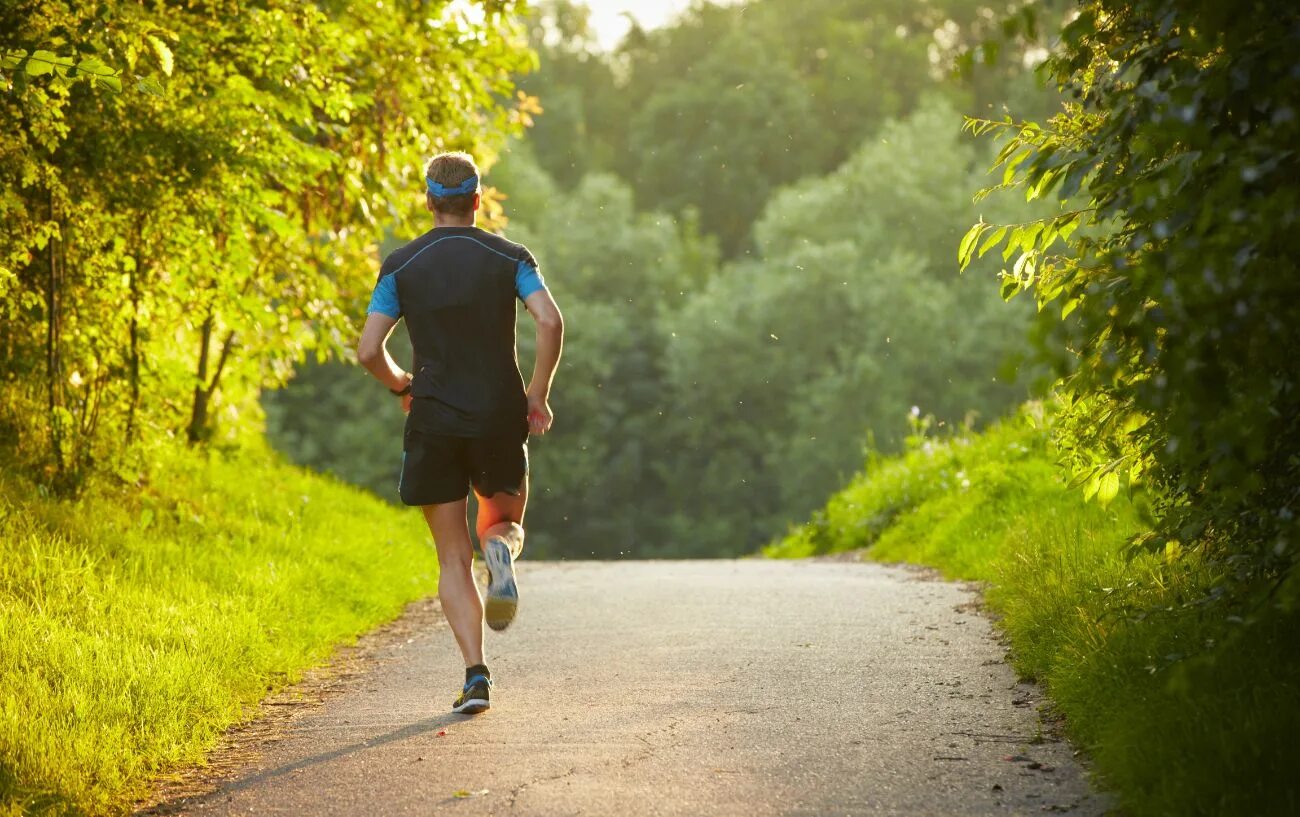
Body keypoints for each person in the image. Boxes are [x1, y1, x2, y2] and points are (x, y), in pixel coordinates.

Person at [357, 151, 564, 715]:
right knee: (503, 521)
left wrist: (403, 385)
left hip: (433, 421)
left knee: (452, 557)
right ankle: (501, 551)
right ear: (477, 200)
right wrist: (537, 395)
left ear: (429, 201)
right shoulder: (510, 257)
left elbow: (368, 350)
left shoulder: (402, 265)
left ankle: (476, 676)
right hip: (499, 415)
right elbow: (549, 319)